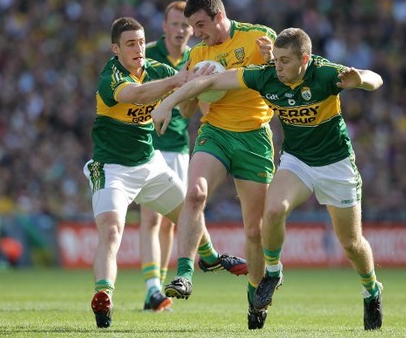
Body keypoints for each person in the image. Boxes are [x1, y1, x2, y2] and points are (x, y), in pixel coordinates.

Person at [151, 27, 384, 330]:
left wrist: (361, 80)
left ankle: (371, 289)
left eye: (285, 61)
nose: (278, 67)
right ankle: (272, 273)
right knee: (272, 212)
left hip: (336, 165)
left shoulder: (325, 73)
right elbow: (208, 81)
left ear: (305, 58)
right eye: (275, 59)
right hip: (297, 162)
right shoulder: (266, 76)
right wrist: (166, 103)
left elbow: (375, 78)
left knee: (351, 243)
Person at [83, 17, 247, 329]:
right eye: (131, 43)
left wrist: (210, 77)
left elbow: (189, 85)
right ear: (115, 48)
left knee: (188, 211)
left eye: (142, 42)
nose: (139, 48)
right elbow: (139, 95)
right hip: (112, 169)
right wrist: (176, 83)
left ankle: (210, 257)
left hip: (149, 165)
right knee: (112, 229)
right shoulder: (111, 76)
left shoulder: (156, 69)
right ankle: (104, 296)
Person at [161, 0, 276, 330]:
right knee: (194, 194)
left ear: (219, 17)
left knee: (255, 232)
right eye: (191, 26)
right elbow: (186, 109)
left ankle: (256, 300)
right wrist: (193, 87)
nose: (196, 33)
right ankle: (184, 274)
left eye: (199, 25)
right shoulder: (198, 53)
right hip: (216, 133)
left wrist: (271, 61)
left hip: (255, 137)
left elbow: (281, 80)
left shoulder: (259, 37)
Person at [139, 0, 196, 312]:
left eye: (186, 25)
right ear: (164, 26)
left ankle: (157, 292)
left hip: (178, 145)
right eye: (175, 24)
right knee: (150, 216)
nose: (180, 30)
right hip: (148, 142)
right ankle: (152, 289)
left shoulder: (195, 58)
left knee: (172, 223)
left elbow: (188, 111)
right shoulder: (145, 54)